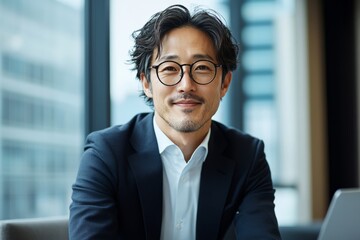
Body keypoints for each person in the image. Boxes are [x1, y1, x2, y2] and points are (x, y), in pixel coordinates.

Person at [69, 4, 281, 240]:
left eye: (202, 68)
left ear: (225, 83)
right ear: (146, 83)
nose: (186, 85)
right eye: (169, 68)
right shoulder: (105, 154)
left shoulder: (248, 157)